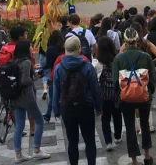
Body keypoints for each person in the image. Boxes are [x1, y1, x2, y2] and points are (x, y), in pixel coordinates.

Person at [52, 37, 103, 165]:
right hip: (85, 106)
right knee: (90, 140)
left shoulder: (59, 68)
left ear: (65, 50)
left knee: (72, 142)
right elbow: (95, 89)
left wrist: (56, 110)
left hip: (67, 108)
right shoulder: (87, 66)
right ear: (79, 49)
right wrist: (99, 107)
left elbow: (56, 92)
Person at [113, 28, 156, 165]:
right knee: (144, 124)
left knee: (130, 126)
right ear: (137, 40)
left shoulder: (119, 58)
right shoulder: (146, 57)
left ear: (124, 41)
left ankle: (134, 160)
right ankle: (147, 156)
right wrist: (150, 92)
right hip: (143, 96)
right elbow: (153, 79)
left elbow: (115, 81)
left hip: (125, 97)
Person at [10, 38, 51, 162]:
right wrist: (36, 76)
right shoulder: (26, 62)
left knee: (19, 126)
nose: (32, 48)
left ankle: (18, 154)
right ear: (26, 49)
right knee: (39, 120)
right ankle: (37, 150)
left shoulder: (15, 61)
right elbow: (25, 80)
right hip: (26, 97)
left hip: (16, 97)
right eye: (30, 46)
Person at [97, 33, 123, 151]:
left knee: (105, 118)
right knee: (117, 115)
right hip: (117, 93)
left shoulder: (98, 63)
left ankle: (108, 142)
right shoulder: (117, 59)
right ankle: (117, 137)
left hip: (104, 95)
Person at [42, 30, 64, 121]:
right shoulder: (63, 48)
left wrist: (41, 68)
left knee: (52, 95)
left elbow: (47, 65)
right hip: (63, 72)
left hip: (53, 73)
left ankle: (49, 113)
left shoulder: (50, 49)